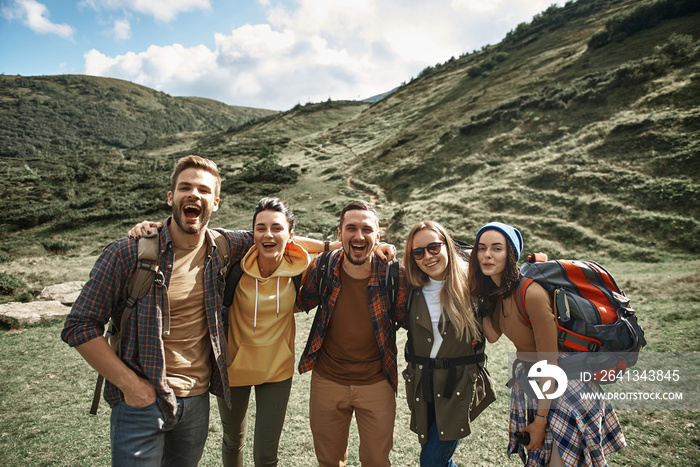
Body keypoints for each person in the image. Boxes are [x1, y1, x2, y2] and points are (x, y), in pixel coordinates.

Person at [61, 155, 255, 466]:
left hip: (197, 402)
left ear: (215, 202)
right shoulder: (127, 253)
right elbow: (79, 325)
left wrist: (338, 246)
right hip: (142, 402)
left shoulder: (223, 247)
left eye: (204, 190)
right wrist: (131, 386)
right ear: (171, 197)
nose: (194, 195)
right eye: (185, 187)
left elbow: (275, 235)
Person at [467, 222, 626, 467]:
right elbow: (492, 334)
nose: (487, 255)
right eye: (481, 248)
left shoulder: (531, 293)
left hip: (564, 389)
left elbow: (550, 362)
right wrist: (474, 296)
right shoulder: (497, 294)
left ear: (510, 255)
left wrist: (540, 420)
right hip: (538, 387)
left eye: (496, 248)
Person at [296, 200, 408, 467]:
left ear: (378, 235)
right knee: (328, 461)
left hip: (377, 383)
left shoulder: (395, 275)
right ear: (339, 234)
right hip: (327, 381)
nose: (359, 236)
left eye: (367, 230)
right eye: (351, 228)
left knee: (377, 461)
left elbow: (411, 320)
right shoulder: (323, 267)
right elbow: (296, 304)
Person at [215, 197, 308, 467]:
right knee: (233, 442)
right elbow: (195, 236)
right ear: (252, 233)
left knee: (266, 455)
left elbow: (348, 255)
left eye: (277, 228)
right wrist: (152, 228)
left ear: (291, 235)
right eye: (261, 227)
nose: (268, 234)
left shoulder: (301, 268)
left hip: (277, 371)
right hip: (233, 369)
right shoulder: (234, 267)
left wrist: (380, 246)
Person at [402, 221, 496, 467]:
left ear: (447, 245)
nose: (427, 257)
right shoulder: (410, 288)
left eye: (433, 247)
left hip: (459, 383)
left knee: (432, 461)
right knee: (440, 460)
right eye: (418, 252)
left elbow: (494, 335)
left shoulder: (473, 285)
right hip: (422, 382)